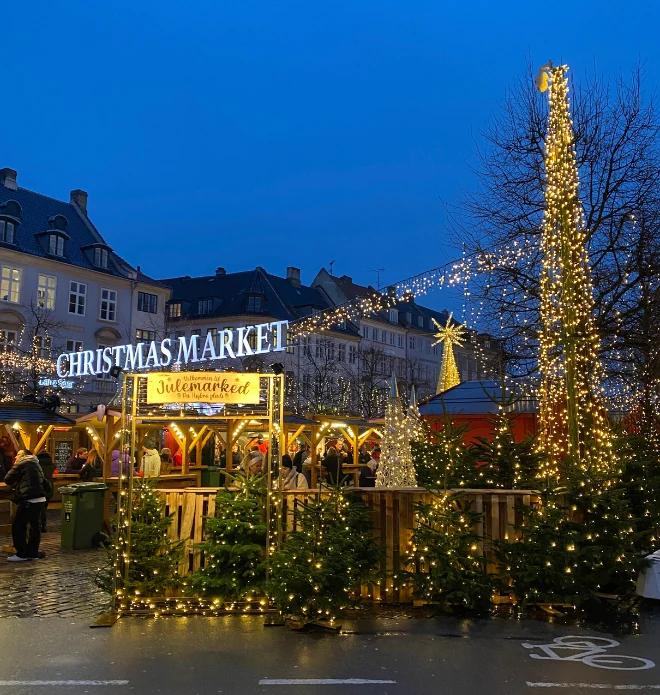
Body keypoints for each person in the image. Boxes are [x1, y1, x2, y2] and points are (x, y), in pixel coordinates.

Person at [4, 449, 49, 561]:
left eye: (18, 455)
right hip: (40, 498)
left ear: (24, 456)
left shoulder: (22, 462)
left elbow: (8, 479)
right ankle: (32, 553)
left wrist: (16, 468)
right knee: (35, 527)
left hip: (28, 498)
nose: (15, 457)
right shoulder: (35, 463)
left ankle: (21, 554)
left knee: (18, 526)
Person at [36, 450, 55, 532]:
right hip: (49, 487)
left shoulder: (36, 465)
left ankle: (40, 526)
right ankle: (43, 526)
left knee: (39, 508)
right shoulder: (52, 465)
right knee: (44, 508)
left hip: (40, 487)